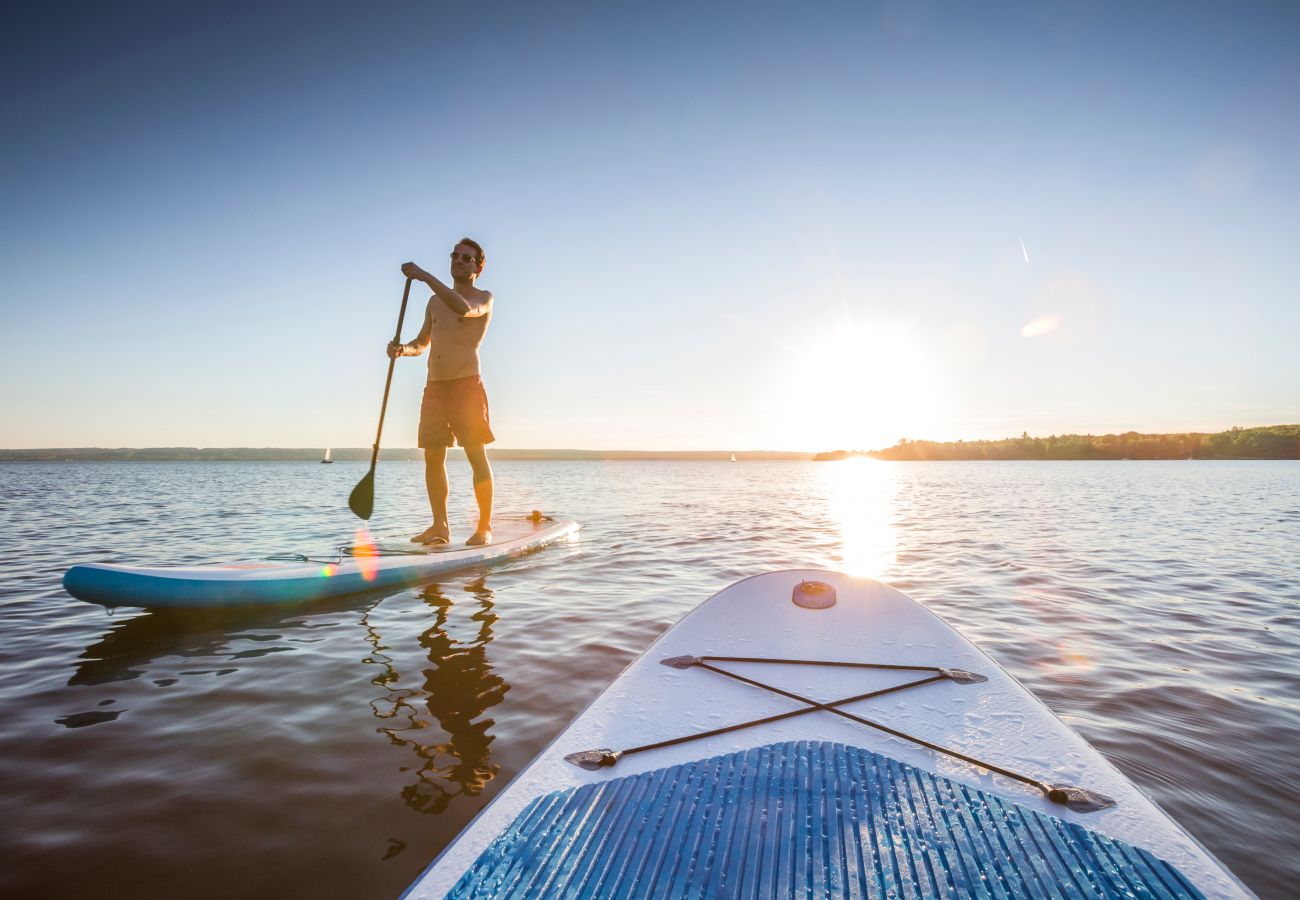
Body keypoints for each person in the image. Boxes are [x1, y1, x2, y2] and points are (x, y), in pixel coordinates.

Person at [387, 238, 494, 546]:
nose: (459, 261)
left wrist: (425, 276)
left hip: (466, 386)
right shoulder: (434, 303)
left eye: (467, 258)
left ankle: (484, 527)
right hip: (434, 388)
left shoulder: (483, 298)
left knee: (476, 454)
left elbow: (462, 307)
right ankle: (440, 526)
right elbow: (423, 343)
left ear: (478, 267)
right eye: (455, 256)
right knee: (433, 457)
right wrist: (403, 349)